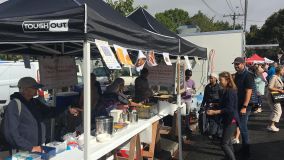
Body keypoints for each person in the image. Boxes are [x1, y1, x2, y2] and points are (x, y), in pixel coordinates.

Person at [2, 77, 79, 152]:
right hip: (23, 150)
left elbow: (50, 112)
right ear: (24, 89)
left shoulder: (35, 102)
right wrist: (30, 147)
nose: (37, 90)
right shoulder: (15, 105)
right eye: (34, 87)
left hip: (37, 147)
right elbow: (11, 133)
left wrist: (67, 109)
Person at [207, 72, 239, 160]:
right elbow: (226, 105)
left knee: (224, 144)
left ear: (227, 80)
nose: (220, 82)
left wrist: (215, 112)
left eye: (221, 80)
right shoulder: (226, 90)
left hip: (231, 120)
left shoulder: (230, 91)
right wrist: (216, 104)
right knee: (228, 142)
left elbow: (229, 109)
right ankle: (231, 157)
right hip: (228, 120)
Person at [232, 57, 254, 156]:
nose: (236, 66)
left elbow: (249, 91)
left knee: (243, 127)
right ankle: (244, 148)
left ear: (243, 64)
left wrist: (244, 106)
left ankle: (246, 151)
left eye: (238, 64)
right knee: (239, 125)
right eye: (235, 64)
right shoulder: (236, 75)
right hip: (237, 104)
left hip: (245, 106)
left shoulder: (248, 75)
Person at [201, 73, 222, 139]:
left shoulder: (219, 87)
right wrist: (202, 105)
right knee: (208, 119)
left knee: (216, 120)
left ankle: (217, 133)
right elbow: (205, 96)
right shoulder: (207, 87)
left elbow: (221, 97)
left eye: (211, 78)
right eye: (209, 78)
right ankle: (210, 133)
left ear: (216, 79)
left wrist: (218, 104)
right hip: (208, 105)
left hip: (217, 106)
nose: (210, 79)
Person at [267, 66, 284, 132]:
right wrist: (279, 90)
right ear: (280, 71)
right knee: (278, 111)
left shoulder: (278, 77)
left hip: (275, 96)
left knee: (275, 111)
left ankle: (270, 125)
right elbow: (270, 87)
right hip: (273, 96)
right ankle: (272, 125)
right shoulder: (274, 77)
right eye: (283, 70)